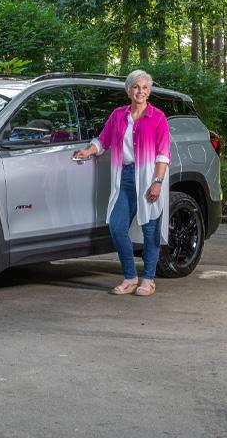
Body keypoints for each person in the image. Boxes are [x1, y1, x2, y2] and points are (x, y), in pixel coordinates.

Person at [73, 70, 170, 297]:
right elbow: (103, 140)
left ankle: (148, 278)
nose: (141, 91)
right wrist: (87, 151)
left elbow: (163, 154)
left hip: (149, 177)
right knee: (117, 226)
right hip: (125, 177)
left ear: (149, 91)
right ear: (129, 90)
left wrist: (157, 182)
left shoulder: (157, 117)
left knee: (150, 230)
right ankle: (130, 276)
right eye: (136, 87)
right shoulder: (118, 116)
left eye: (145, 88)